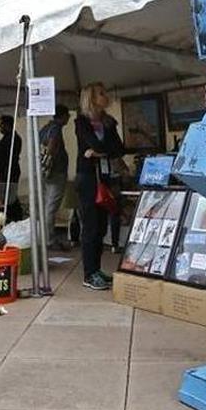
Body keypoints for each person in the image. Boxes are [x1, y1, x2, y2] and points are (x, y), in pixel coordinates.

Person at [74, 82, 125, 290]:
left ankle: (97, 269)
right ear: (92, 98)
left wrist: (99, 152)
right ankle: (89, 273)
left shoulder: (109, 122)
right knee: (91, 226)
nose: (106, 97)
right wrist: (101, 150)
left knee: (102, 226)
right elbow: (93, 144)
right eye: (101, 94)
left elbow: (119, 149)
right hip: (87, 178)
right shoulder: (81, 122)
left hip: (105, 177)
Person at [39, 104, 71, 249]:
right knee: (51, 206)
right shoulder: (55, 129)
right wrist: (50, 158)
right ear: (62, 116)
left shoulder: (45, 128)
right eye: (67, 115)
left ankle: (45, 236)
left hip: (46, 172)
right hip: (56, 171)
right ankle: (49, 239)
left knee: (47, 204)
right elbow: (52, 145)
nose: (68, 118)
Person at [0, 115, 23, 220]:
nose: (0, 128)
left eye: (1, 125)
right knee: (7, 195)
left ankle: (14, 216)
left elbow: (5, 156)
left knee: (9, 196)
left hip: (10, 170)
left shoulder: (12, 139)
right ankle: (12, 215)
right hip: (5, 171)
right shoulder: (8, 138)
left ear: (7, 125)